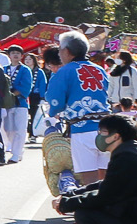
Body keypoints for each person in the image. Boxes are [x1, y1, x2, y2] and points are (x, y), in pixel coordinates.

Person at [44, 32, 114, 187]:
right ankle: (107, 208)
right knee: (105, 174)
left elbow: (55, 101)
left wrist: (53, 113)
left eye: (60, 49)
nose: (59, 53)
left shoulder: (65, 71)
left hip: (82, 129)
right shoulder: (99, 69)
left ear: (67, 51)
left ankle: (93, 208)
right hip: (107, 127)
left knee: (89, 177)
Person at [3, 47, 34, 163]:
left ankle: (16, 153)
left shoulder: (25, 70)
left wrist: (12, 94)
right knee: (8, 129)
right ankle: (18, 151)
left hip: (20, 103)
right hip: (7, 104)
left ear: (22, 56)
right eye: (13, 53)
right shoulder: (4, 69)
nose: (15, 55)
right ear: (9, 55)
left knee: (20, 129)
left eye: (18, 53)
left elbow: (26, 86)